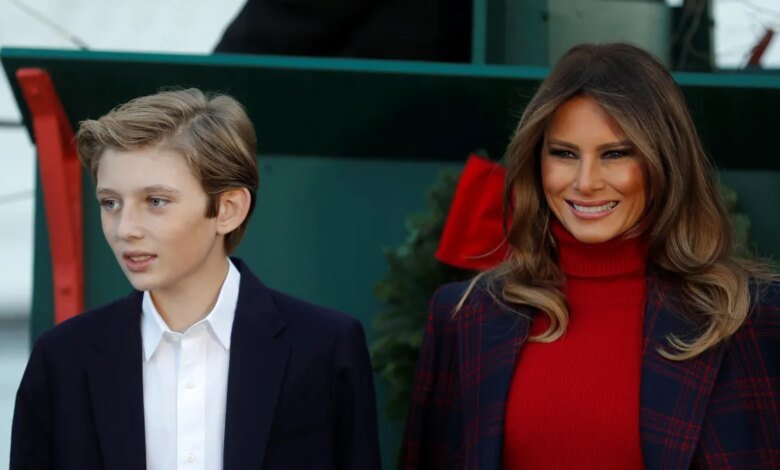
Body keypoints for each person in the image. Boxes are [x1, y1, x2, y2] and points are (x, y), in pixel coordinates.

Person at [399, 43, 779, 469]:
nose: (585, 182)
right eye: (564, 153)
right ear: (536, 160)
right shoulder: (465, 317)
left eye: (615, 154)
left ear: (665, 162)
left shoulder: (754, 318)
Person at [11, 89, 381, 470]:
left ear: (228, 209)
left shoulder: (325, 348)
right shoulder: (61, 359)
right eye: (110, 203)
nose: (125, 229)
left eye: (155, 201)